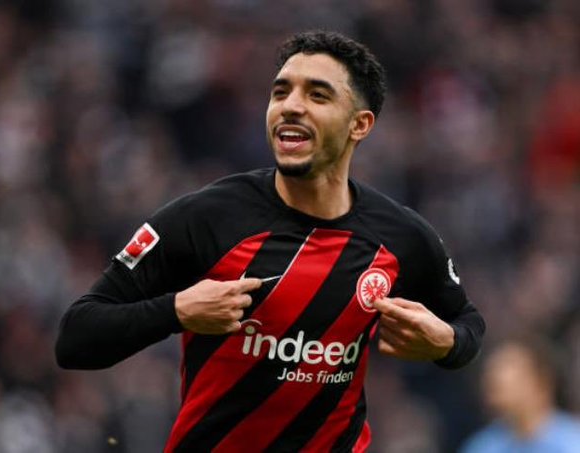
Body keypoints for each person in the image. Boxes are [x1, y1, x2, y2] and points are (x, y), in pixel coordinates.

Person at [55, 30, 486, 452]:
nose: (291, 106)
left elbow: (467, 323)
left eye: (317, 95)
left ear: (359, 124)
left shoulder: (400, 236)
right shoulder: (207, 217)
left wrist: (447, 343)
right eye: (281, 92)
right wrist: (177, 311)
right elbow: (77, 336)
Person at [460, 336, 580, 453]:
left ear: (541, 382)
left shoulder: (572, 442)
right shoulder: (483, 445)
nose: (494, 377)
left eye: (509, 365)